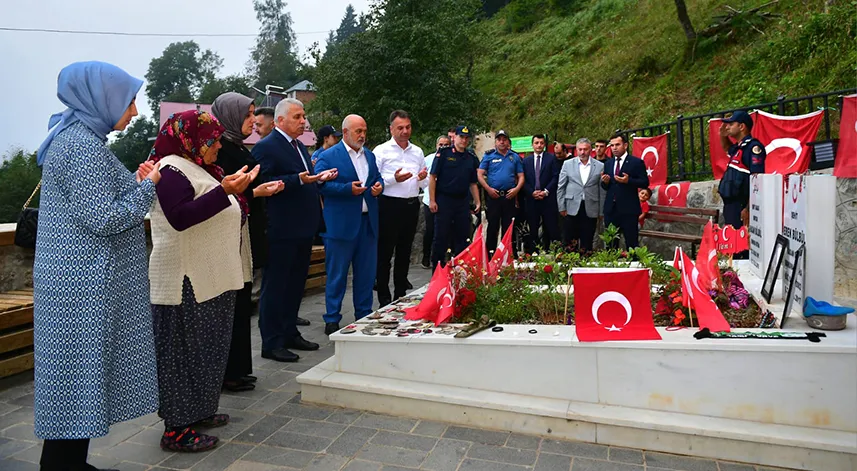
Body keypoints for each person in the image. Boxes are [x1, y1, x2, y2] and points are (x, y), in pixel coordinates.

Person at [33, 61, 161, 471]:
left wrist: (138, 183)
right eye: (129, 101)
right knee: (76, 380)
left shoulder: (76, 139)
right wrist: (148, 189)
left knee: (76, 381)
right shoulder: (81, 147)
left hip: (78, 283)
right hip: (81, 287)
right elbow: (104, 217)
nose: (135, 111)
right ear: (101, 98)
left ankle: (69, 461)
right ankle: (61, 465)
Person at [148, 110, 257, 452]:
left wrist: (230, 189)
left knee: (208, 349)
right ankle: (177, 428)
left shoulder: (200, 168)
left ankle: (199, 410)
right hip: (186, 277)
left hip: (211, 275)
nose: (216, 149)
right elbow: (180, 218)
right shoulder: (170, 170)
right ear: (190, 140)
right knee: (184, 353)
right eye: (211, 142)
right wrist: (223, 191)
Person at [252, 98, 338, 362]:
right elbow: (262, 184)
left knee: (294, 286)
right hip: (281, 228)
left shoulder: (300, 145)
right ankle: (271, 341)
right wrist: (297, 179)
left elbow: (304, 179)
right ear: (280, 121)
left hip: (303, 228)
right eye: (298, 117)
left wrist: (317, 178)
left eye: (304, 116)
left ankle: (290, 332)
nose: (304, 121)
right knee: (276, 286)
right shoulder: (266, 147)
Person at [211, 92, 285, 393]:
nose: (253, 120)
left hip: (247, 231)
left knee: (242, 304)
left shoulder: (237, 148)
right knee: (232, 305)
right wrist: (256, 193)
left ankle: (239, 369)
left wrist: (258, 191)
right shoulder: (220, 151)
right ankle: (228, 372)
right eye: (247, 114)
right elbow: (218, 194)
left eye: (253, 113)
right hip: (229, 236)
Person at [315, 114, 383, 334]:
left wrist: (378, 187)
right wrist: (346, 189)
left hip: (367, 224)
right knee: (337, 274)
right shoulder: (329, 156)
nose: (362, 135)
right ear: (345, 133)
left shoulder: (370, 156)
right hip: (341, 225)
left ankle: (363, 313)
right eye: (358, 131)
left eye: (364, 131)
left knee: (365, 273)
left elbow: (377, 178)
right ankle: (332, 317)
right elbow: (320, 185)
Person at [373, 110, 426, 307]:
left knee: (405, 252)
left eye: (408, 127)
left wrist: (422, 179)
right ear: (391, 129)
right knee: (385, 253)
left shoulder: (417, 151)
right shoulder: (382, 150)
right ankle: (384, 297)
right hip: (389, 205)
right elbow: (374, 181)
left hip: (411, 205)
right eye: (400, 128)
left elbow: (425, 182)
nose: (405, 131)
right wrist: (393, 179)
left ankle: (400, 294)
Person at [429, 126, 481, 268]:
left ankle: (460, 271)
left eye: (466, 138)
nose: (464, 140)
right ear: (454, 138)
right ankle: (437, 270)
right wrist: (432, 200)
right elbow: (433, 177)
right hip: (444, 200)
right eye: (461, 137)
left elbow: (473, 182)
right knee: (441, 237)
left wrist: (477, 201)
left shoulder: (470, 158)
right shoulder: (444, 154)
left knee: (463, 237)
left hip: (462, 201)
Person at [717, 110, 766, 246]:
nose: (727, 127)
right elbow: (727, 147)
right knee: (732, 244)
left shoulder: (753, 148)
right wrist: (722, 135)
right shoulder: (739, 147)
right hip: (731, 205)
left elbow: (757, 180)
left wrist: (748, 208)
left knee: (740, 246)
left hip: (741, 206)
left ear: (742, 126)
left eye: (731, 124)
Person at [478, 130, 523, 255]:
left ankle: (509, 254)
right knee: (493, 226)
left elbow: (521, 176)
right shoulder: (489, 156)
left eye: (504, 139)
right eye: (499, 139)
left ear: (508, 141)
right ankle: (490, 255)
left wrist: (516, 189)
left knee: (509, 227)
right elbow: (480, 174)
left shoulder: (514, 157)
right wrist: (488, 189)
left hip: (509, 196)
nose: (502, 142)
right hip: (494, 196)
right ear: (495, 142)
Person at [600, 133, 650, 249]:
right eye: (612, 145)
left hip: (629, 209)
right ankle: (612, 266)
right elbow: (606, 187)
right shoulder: (608, 163)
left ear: (625, 145)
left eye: (617, 145)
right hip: (611, 209)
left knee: (631, 244)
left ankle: (633, 266)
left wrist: (628, 181)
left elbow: (644, 182)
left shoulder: (636, 162)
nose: (614, 148)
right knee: (611, 244)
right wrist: (605, 182)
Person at [557, 138, 604, 252]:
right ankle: (569, 264)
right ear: (576, 150)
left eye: (585, 149)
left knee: (587, 239)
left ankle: (585, 265)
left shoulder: (599, 166)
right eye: (580, 149)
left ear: (590, 150)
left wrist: (601, 211)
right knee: (569, 240)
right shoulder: (567, 164)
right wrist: (561, 206)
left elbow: (601, 190)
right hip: (571, 206)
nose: (583, 152)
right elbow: (561, 186)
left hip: (590, 206)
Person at [522, 134, 559, 252]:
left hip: (547, 199)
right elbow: (523, 180)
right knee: (533, 228)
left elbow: (555, 177)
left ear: (544, 145)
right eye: (536, 143)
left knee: (551, 227)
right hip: (532, 199)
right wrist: (531, 192)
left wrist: (546, 191)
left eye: (541, 143)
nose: (539, 145)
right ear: (532, 145)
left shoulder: (551, 158)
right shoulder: (526, 161)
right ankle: (533, 253)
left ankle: (555, 252)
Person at [420, 135, 450, 268]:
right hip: (429, 200)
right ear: (436, 146)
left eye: (446, 145)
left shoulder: (452, 159)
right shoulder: (428, 159)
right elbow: (422, 176)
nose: (443, 147)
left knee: (445, 230)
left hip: (445, 200)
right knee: (430, 230)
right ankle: (426, 257)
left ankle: (441, 257)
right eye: (441, 145)